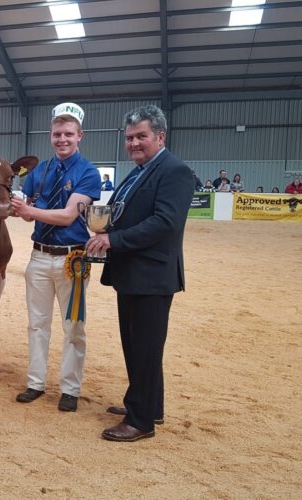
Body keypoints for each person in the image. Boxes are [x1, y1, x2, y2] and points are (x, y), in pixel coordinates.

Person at [86, 105, 193, 442]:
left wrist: (112, 239)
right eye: (129, 138)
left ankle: (141, 421)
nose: (133, 143)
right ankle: (149, 404)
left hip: (152, 275)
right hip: (133, 272)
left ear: (160, 137)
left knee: (144, 348)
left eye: (141, 137)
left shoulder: (175, 171)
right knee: (138, 346)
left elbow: (165, 223)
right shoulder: (138, 171)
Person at [10, 102, 101, 412]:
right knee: (37, 324)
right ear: (51, 135)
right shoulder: (41, 170)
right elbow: (25, 210)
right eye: (57, 134)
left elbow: (66, 216)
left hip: (71, 260)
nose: (62, 139)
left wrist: (28, 210)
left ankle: (70, 388)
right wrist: (19, 204)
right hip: (38, 257)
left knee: (73, 325)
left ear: (80, 136)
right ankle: (35, 382)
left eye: (68, 134)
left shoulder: (88, 173)